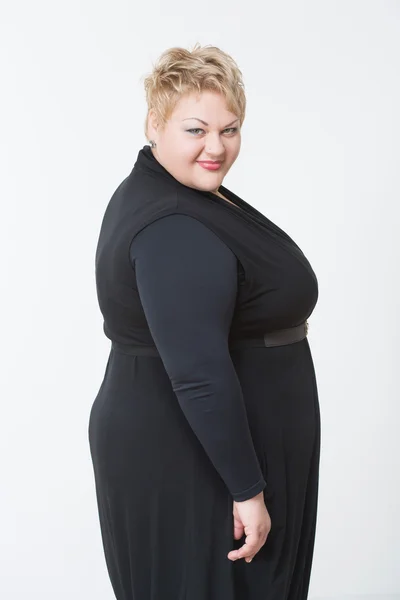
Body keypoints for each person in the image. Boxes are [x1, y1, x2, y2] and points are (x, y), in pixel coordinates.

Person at [88, 42, 321, 600]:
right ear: (155, 123)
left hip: (204, 446)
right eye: (196, 130)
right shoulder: (172, 225)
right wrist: (246, 488)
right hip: (195, 459)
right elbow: (198, 373)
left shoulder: (177, 192)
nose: (216, 148)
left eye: (230, 129)